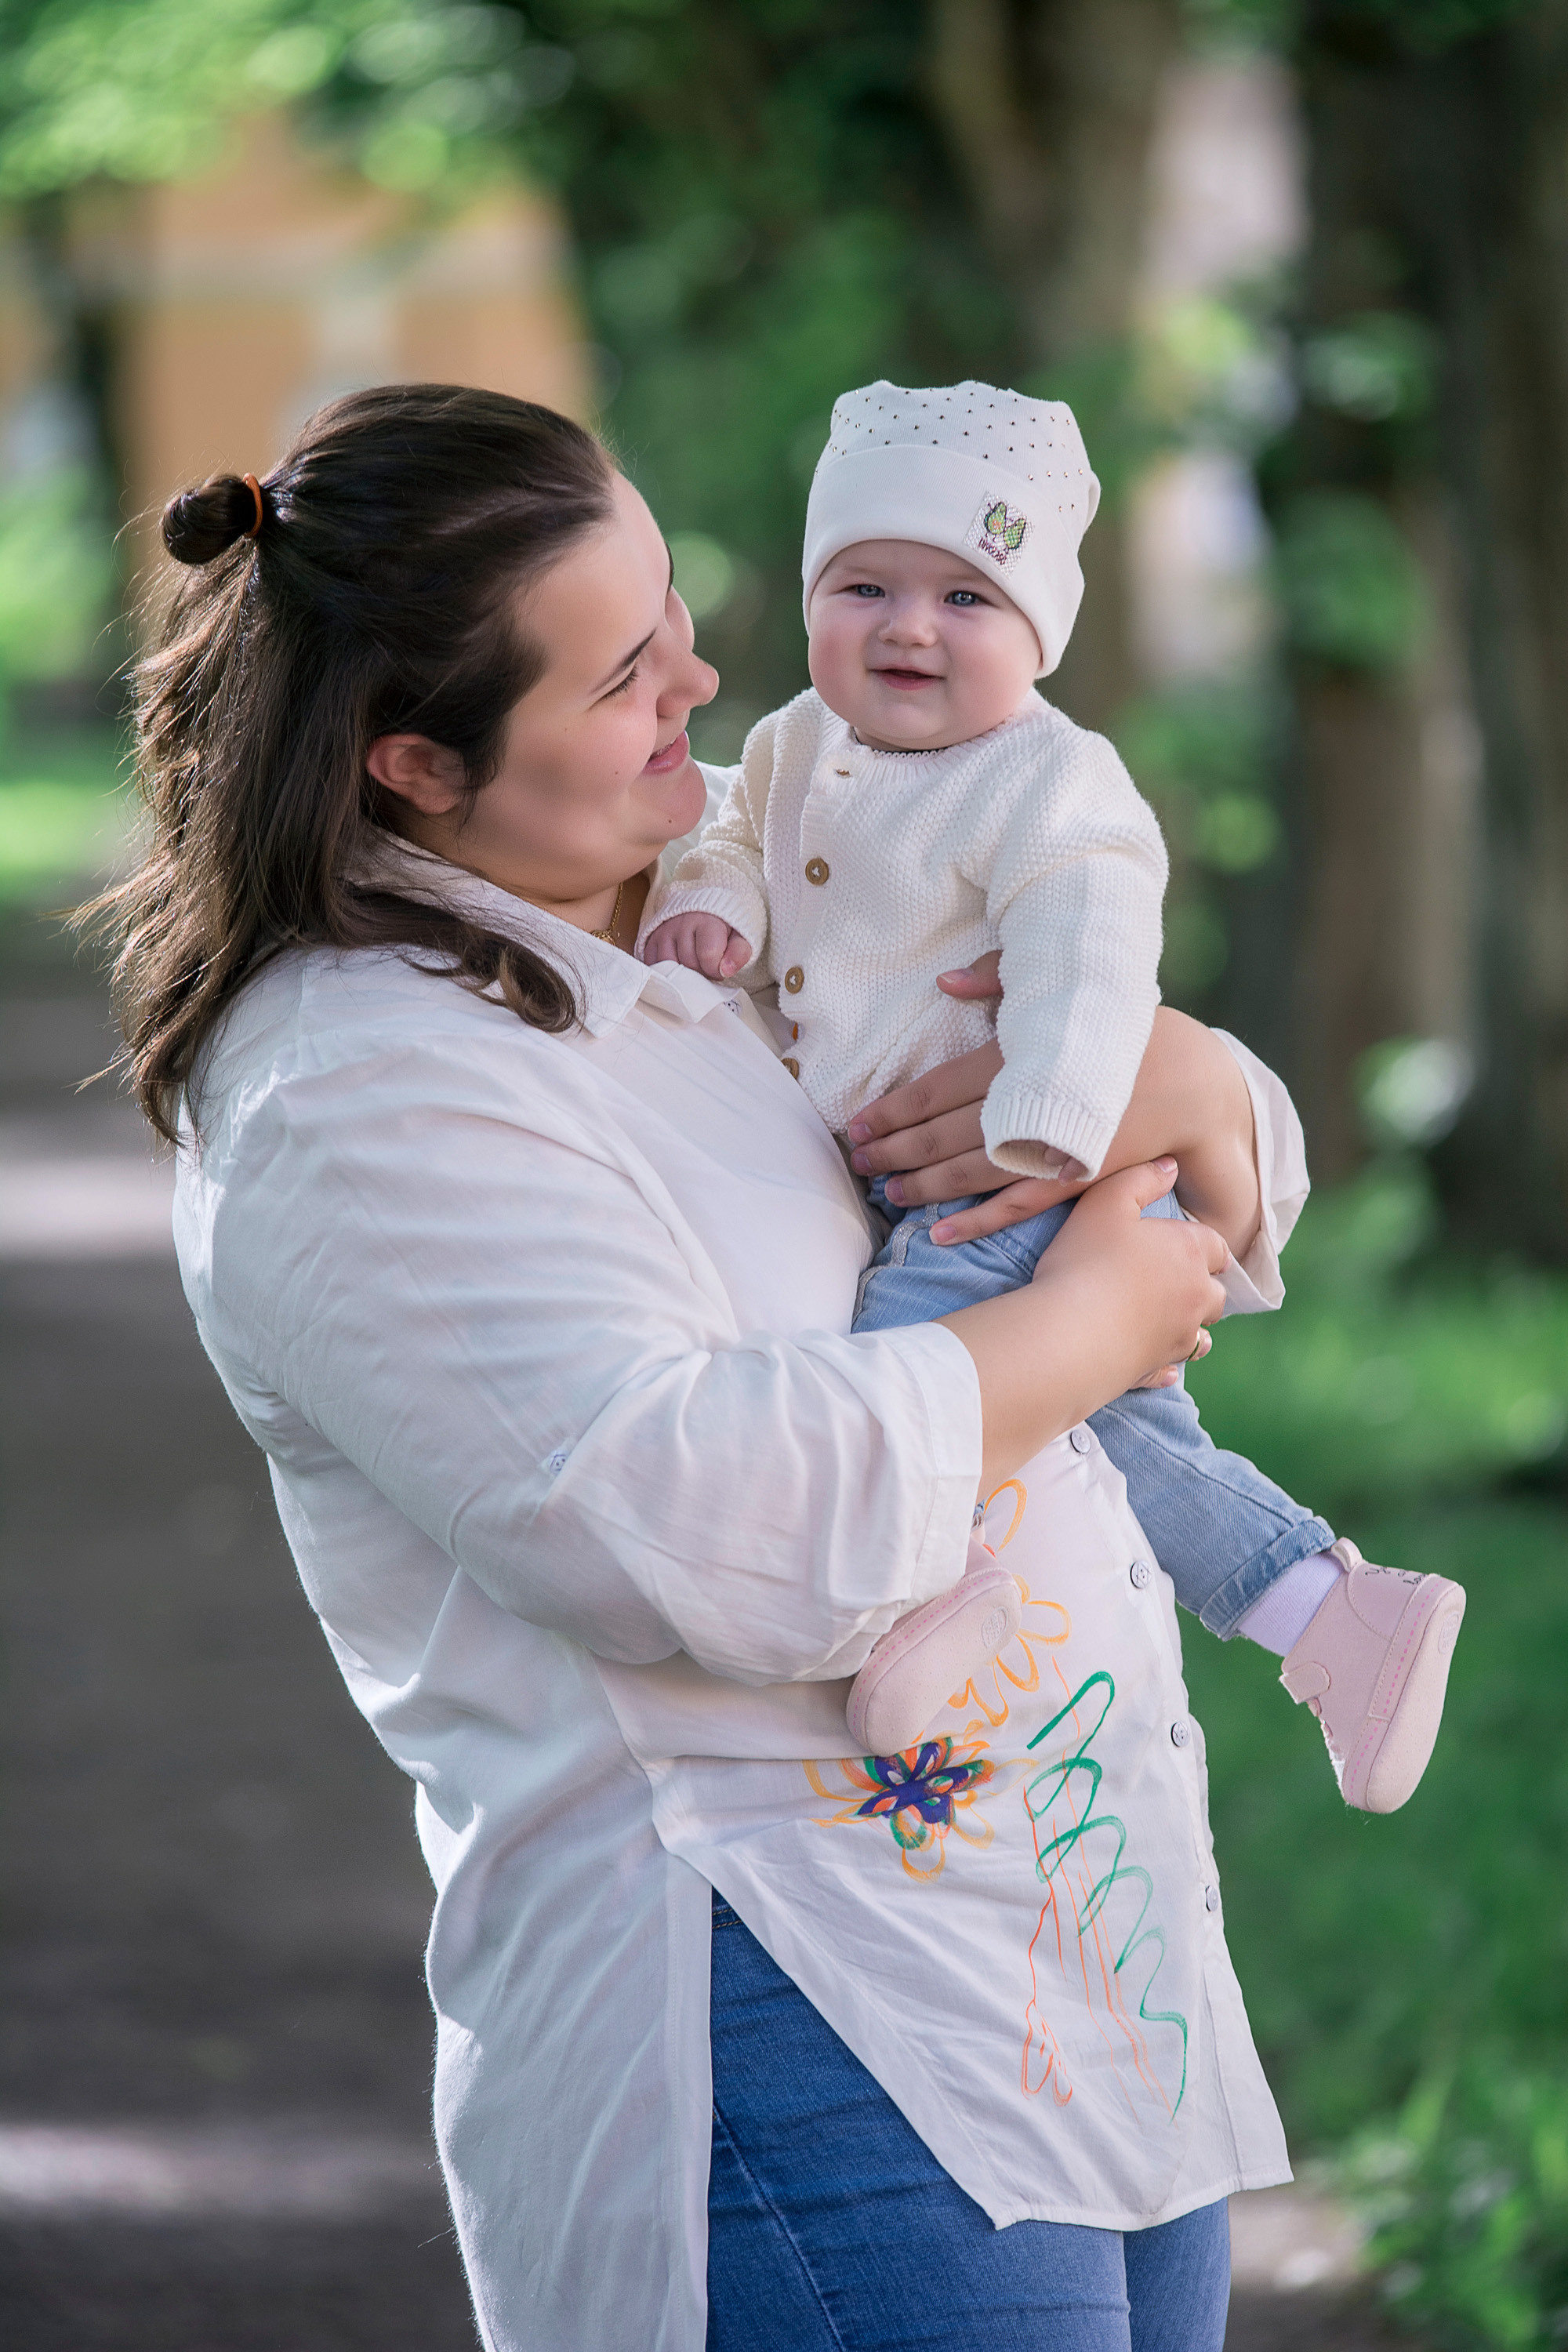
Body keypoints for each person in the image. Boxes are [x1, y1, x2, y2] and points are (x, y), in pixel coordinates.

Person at [103, 383, 1298, 2352]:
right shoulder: (356, 1091)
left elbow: (1148, 1156)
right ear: (414, 760)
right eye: (624, 672)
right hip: (783, 1992)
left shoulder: (734, 893)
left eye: (675, 612)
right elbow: (678, 1521)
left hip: (1076, 1929)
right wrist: (1077, 1333)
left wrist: (1194, 1091)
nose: (707, 677)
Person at [644, 377, 1466, 1793]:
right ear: (810, 596)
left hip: (1017, 1172)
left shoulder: (1050, 786)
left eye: (968, 598)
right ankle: (1335, 1613)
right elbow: (722, 830)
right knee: (1129, 1433)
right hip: (927, 1175)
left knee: (905, 1352)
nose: (908, 626)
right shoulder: (788, 745)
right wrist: (711, 902)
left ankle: (916, 1588)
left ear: (1042, 632)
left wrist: (1045, 1134)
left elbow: (1096, 962)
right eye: (864, 585)